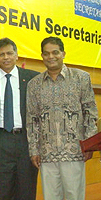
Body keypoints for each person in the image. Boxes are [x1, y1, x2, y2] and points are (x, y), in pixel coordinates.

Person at [26, 36, 98, 200]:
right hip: (46, 154)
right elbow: (32, 120)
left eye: (55, 52)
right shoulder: (34, 84)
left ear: (63, 53)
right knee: (51, 197)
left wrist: (89, 145)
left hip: (75, 151)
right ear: (42, 56)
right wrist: (34, 150)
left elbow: (90, 112)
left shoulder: (81, 78)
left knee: (74, 196)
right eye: (46, 53)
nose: (51, 57)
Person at [0, 38, 39, 199]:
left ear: (17, 55)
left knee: (27, 190)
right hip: (1, 142)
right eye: (1, 54)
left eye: (9, 53)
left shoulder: (33, 78)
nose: (6, 57)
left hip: (26, 142)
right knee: (3, 191)